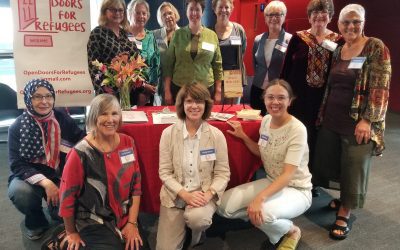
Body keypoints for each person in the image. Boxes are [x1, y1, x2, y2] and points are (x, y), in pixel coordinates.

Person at [313, 4, 391, 240]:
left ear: (363, 22)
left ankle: (345, 213)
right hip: (333, 116)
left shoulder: (376, 47)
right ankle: (343, 198)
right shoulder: (339, 49)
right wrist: (323, 113)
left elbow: (381, 88)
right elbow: (331, 84)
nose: (351, 26)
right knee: (336, 162)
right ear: (339, 25)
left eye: (355, 21)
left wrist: (368, 120)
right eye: (346, 22)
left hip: (358, 121)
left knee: (354, 166)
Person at [218, 79, 312, 249]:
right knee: (223, 206)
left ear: (290, 101)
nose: (275, 102)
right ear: (264, 99)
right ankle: (264, 219)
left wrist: (259, 199)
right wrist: (243, 136)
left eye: (281, 98)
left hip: (297, 188)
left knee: (264, 213)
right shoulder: (266, 120)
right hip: (271, 180)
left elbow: (288, 174)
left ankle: (291, 230)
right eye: (270, 97)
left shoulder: (297, 129)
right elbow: (261, 152)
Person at [59, 94, 145, 249]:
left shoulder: (128, 142)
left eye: (114, 113)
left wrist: (132, 223)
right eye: (104, 114)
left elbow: (136, 188)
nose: (110, 119)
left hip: (123, 215)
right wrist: (71, 232)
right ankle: (61, 239)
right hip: (92, 218)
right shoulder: (81, 153)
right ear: (94, 117)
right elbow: (67, 197)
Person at [7, 79, 85, 240]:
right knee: (21, 193)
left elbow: (81, 141)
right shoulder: (17, 127)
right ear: (28, 99)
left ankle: (55, 208)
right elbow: (16, 164)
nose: (44, 101)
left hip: (59, 174)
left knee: (60, 216)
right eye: (37, 97)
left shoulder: (62, 118)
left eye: (48, 96)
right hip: (30, 177)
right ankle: (35, 221)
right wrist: (46, 183)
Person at [156, 83, 230, 250]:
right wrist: (184, 195)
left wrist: (210, 193)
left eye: (199, 102)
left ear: (206, 105)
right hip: (175, 197)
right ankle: (185, 227)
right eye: (189, 101)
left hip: (203, 194)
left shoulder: (216, 136)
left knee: (198, 220)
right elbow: (165, 173)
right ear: (182, 104)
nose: (194, 106)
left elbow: (223, 173)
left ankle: (196, 235)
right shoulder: (168, 134)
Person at [280, 0, 342, 196]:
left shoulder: (338, 41)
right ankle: (291, 176)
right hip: (299, 100)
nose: (319, 17)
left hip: (324, 101)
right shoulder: (298, 39)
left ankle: (312, 180)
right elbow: (286, 70)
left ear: (330, 16)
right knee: (297, 137)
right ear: (309, 16)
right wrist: (284, 97)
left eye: (323, 13)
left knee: (318, 141)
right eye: (315, 13)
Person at [164, 0, 223, 105]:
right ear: (186, 11)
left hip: (205, 89)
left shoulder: (212, 35)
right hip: (180, 88)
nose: (194, 13)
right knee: (180, 119)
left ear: (203, 12)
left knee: (203, 119)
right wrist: (167, 90)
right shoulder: (177, 35)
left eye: (197, 10)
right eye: (191, 9)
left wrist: (218, 91)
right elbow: (169, 64)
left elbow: (217, 65)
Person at [87, 0, 139, 104]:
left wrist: (141, 87)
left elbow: (137, 59)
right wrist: (104, 91)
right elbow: (94, 67)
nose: (118, 13)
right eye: (113, 10)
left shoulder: (128, 33)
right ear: (104, 11)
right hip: (109, 94)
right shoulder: (97, 33)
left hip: (131, 92)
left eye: (120, 10)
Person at [251, 0, 291, 115]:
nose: (274, 18)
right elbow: (255, 63)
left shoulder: (290, 40)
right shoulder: (258, 39)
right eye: (270, 15)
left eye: (278, 14)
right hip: (258, 88)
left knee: (275, 121)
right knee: (256, 120)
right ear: (265, 18)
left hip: (278, 91)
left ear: (284, 17)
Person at [212, 0, 247, 104]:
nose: (223, 10)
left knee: (232, 111)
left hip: (234, 77)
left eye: (226, 7)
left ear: (231, 8)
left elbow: (242, 51)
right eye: (220, 7)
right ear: (214, 9)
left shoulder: (238, 29)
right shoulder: (208, 31)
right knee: (214, 112)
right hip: (214, 79)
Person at [127, 0, 160, 106]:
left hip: (148, 92)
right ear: (130, 13)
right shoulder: (123, 36)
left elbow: (156, 63)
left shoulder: (150, 36)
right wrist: (143, 86)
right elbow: (123, 66)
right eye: (137, 12)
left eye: (144, 13)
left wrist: (151, 88)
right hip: (127, 90)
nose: (141, 16)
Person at [152, 2, 180, 104]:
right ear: (161, 18)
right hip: (161, 82)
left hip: (179, 80)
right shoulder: (155, 34)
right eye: (164, 15)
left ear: (175, 14)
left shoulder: (184, 33)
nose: (168, 17)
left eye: (170, 13)